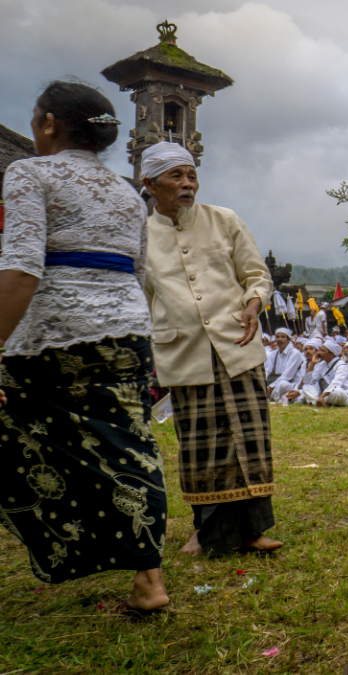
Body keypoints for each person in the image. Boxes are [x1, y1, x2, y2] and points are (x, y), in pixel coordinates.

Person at [0, 81, 169, 614]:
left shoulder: (29, 172)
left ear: (49, 123)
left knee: (20, 437)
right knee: (130, 446)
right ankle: (149, 581)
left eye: (35, 118)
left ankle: (66, 538)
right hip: (126, 333)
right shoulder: (127, 192)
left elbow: (22, 267)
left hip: (52, 337)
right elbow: (138, 272)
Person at [140, 141, 281, 558]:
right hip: (183, 351)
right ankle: (205, 533)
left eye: (191, 175)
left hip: (236, 341)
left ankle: (253, 530)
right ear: (150, 184)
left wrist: (254, 303)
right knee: (202, 444)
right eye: (176, 176)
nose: (187, 184)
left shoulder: (225, 220)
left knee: (249, 439)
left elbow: (258, 275)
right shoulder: (139, 237)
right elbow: (138, 296)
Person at [265, 327, 305, 403]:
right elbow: (268, 371)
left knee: (283, 384)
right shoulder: (273, 354)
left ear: (289, 339)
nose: (279, 339)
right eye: (277, 337)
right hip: (274, 384)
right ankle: (275, 397)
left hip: (291, 384)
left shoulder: (295, 353)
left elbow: (287, 376)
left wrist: (270, 387)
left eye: (283, 337)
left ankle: (271, 397)